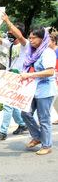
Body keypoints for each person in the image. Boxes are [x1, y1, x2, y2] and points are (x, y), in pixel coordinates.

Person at [0, 14, 28, 140]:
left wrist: (7, 21)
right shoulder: (10, 44)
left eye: (11, 31)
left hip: (19, 76)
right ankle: (22, 124)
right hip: (9, 75)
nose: (9, 33)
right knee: (12, 104)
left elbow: (20, 36)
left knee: (7, 104)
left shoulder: (25, 45)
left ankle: (3, 131)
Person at [20, 27, 56, 155]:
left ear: (42, 38)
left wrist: (29, 76)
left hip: (46, 90)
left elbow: (50, 71)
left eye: (33, 38)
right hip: (34, 89)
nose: (31, 40)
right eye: (29, 38)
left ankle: (46, 145)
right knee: (25, 112)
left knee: (44, 118)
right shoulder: (34, 52)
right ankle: (37, 136)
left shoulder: (47, 52)